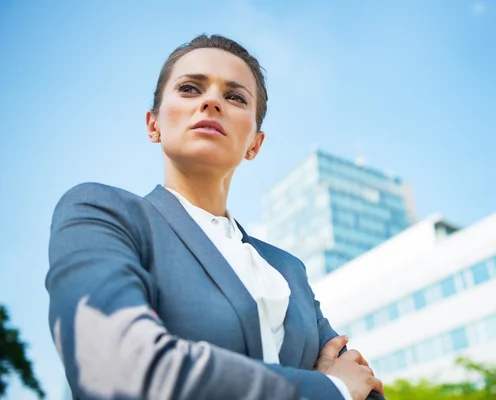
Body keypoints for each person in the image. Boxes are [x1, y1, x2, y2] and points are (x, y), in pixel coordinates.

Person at [46, 34, 385, 400]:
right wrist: (329, 388)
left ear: (255, 143)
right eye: (190, 88)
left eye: (235, 97)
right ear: (153, 124)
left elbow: (364, 386)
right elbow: (118, 369)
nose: (211, 101)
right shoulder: (103, 214)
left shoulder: (288, 269)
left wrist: (344, 385)